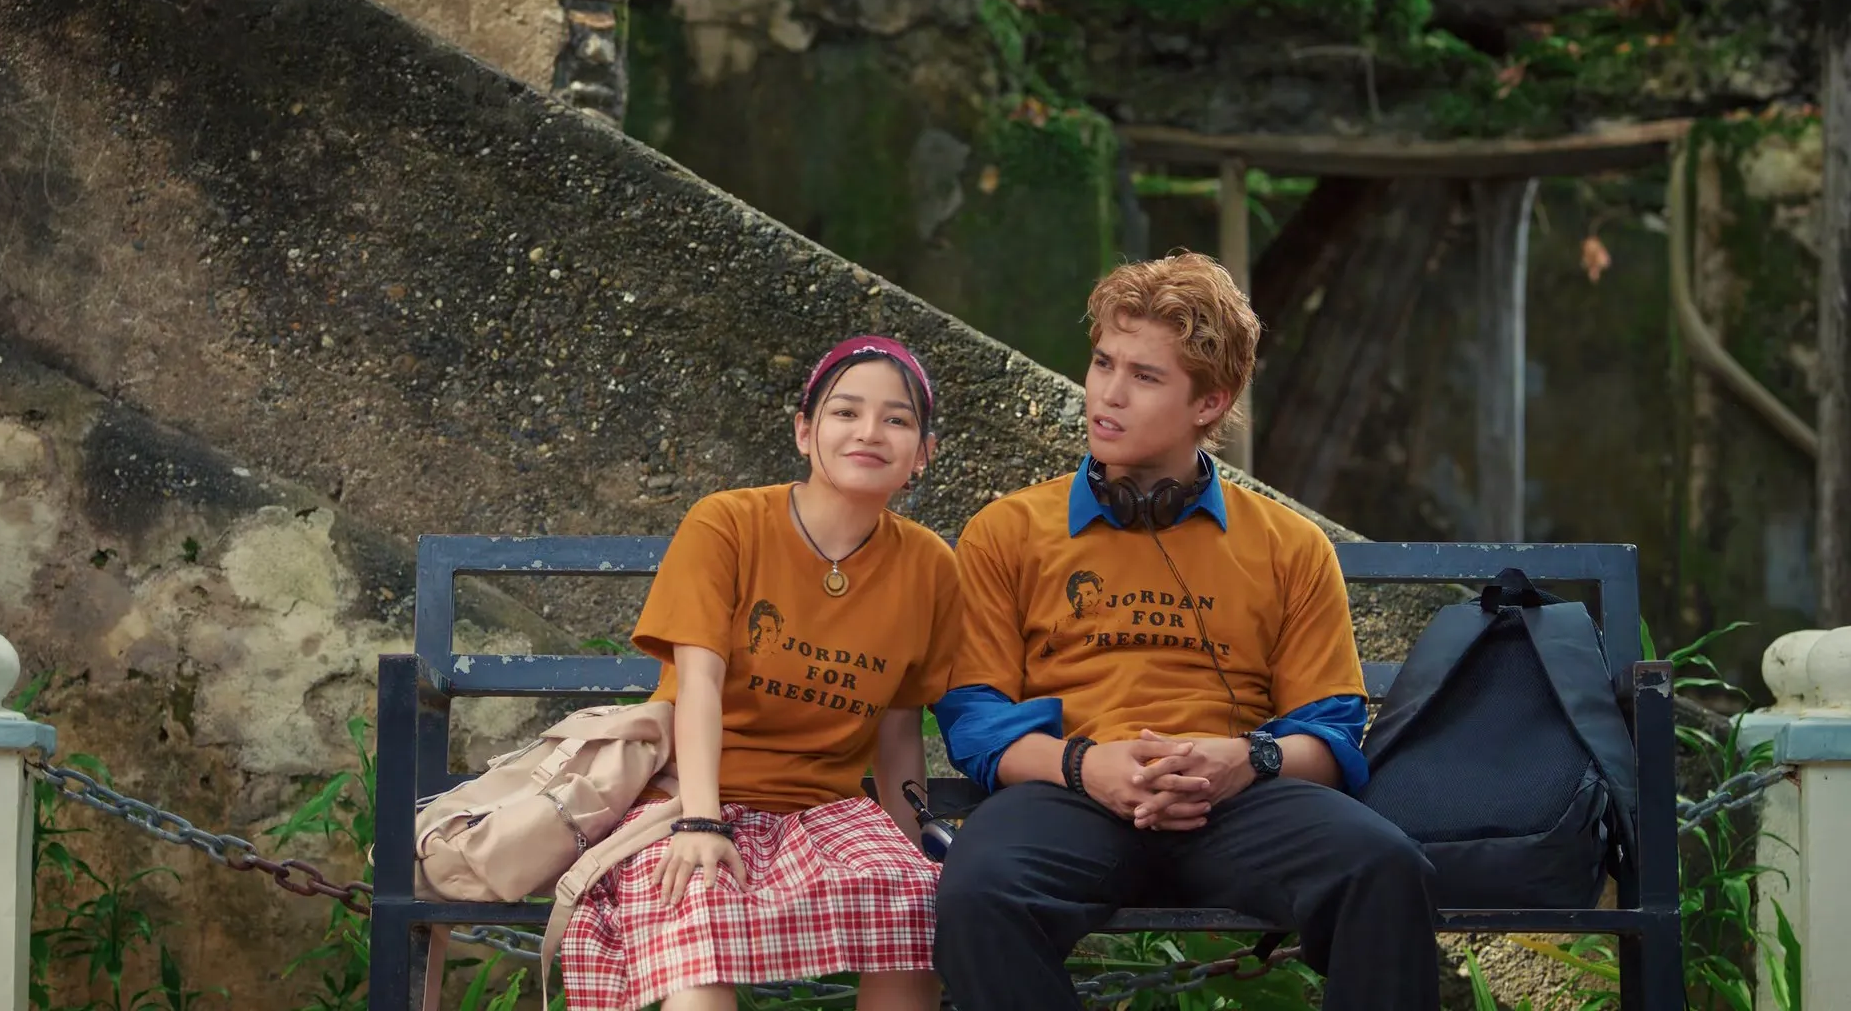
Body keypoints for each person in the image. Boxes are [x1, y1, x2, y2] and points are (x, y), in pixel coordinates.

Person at [930, 252, 1440, 1010]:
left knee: (1384, 869)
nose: (1107, 394)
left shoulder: (1290, 546)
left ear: (1210, 402)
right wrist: (1086, 767)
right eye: (1104, 363)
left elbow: (1330, 734)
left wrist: (1245, 759)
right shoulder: (1009, 531)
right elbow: (976, 719)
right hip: (1071, 790)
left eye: (1145, 376)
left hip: (1235, 797)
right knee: (978, 891)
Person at [559, 336, 961, 1011]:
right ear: (805, 431)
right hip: (689, 795)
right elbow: (699, 684)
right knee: (693, 892)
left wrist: (910, 846)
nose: (869, 432)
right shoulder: (729, 524)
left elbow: (898, 731)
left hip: (826, 810)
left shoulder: (929, 566)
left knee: (918, 899)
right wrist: (701, 822)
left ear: (923, 453)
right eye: (845, 412)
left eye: (896, 419)